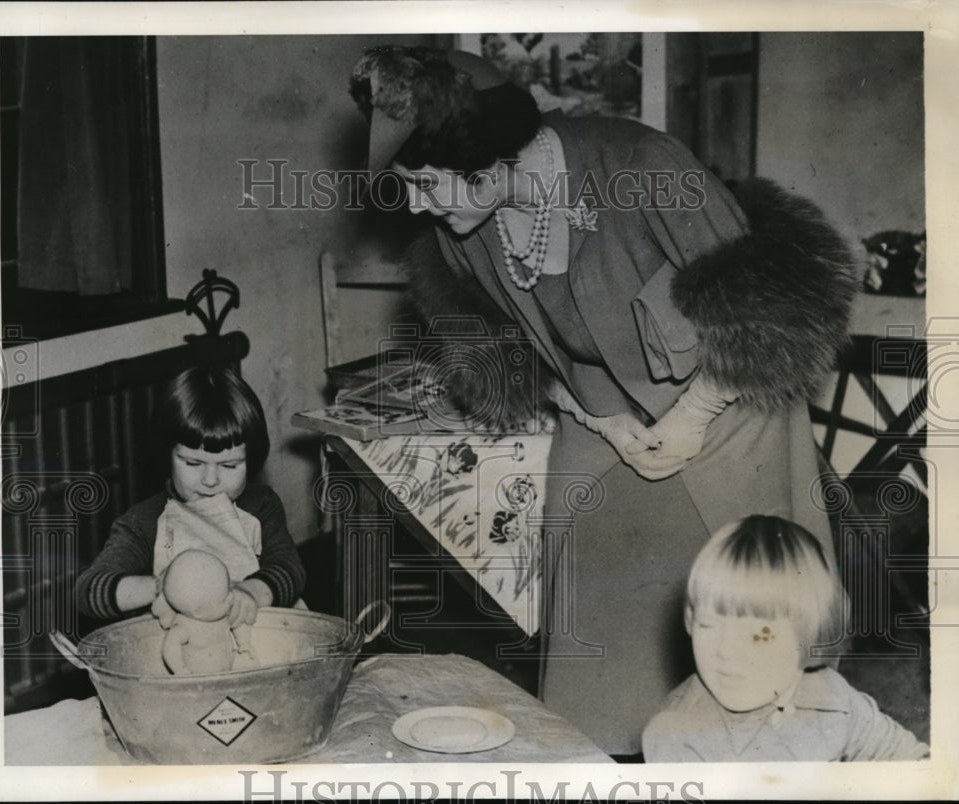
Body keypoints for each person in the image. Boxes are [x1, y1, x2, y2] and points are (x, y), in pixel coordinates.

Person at [349, 46, 856, 754]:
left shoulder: (641, 167)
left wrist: (689, 420)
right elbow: (513, 357)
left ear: (488, 157)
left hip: (728, 404)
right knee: (593, 626)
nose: (418, 205)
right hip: (604, 417)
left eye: (428, 183)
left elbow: (767, 316)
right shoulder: (460, 235)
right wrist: (596, 418)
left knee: (749, 622)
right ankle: (608, 757)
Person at [642, 515, 929, 761]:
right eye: (708, 625)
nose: (726, 650)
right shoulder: (678, 738)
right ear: (690, 621)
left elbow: (911, 761)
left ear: (811, 633)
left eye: (757, 634)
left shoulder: (832, 695)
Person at [76, 367, 306, 626]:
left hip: (260, 633)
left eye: (229, 466)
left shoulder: (261, 505)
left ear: (250, 460)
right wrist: (161, 586)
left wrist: (248, 592)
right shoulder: (144, 521)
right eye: (193, 464)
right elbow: (88, 590)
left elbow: (290, 570)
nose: (210, 481)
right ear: (167, 455)